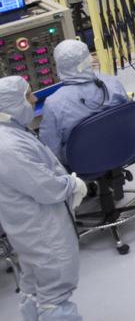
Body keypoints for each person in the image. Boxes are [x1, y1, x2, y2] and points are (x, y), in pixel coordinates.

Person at [0, 75, 88, 320]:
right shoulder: (8, 145)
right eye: (27, 95)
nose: (34, 98)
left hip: (27, 227)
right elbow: (44, 187)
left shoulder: (11, 132)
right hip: (43, 230)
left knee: (34, 284)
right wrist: (71, 184)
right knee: (55, 292)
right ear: (10, 104)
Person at [39, 40, 130, 164]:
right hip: (123, 149)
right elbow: (128, 117)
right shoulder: (112, 83)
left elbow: (51, 151)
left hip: (84, 162)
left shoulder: (54, 103)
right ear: (88, 59)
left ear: (59, 66)